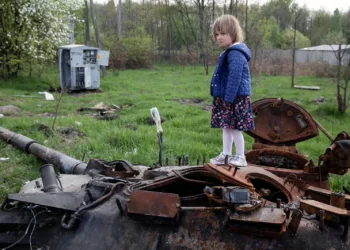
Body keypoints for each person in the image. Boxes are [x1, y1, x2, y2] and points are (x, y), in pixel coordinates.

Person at [209, 15, 255, 167]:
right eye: (216, 34)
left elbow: (234, 78)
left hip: (234, 97)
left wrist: (228, 100)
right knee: (226, 127)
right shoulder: (230, 51)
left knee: (234, 128)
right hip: (228, 97)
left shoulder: (235, 53)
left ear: (233, 33)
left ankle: (241, 156)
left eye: (222, 33)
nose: (218, 37)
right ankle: (226, 154)